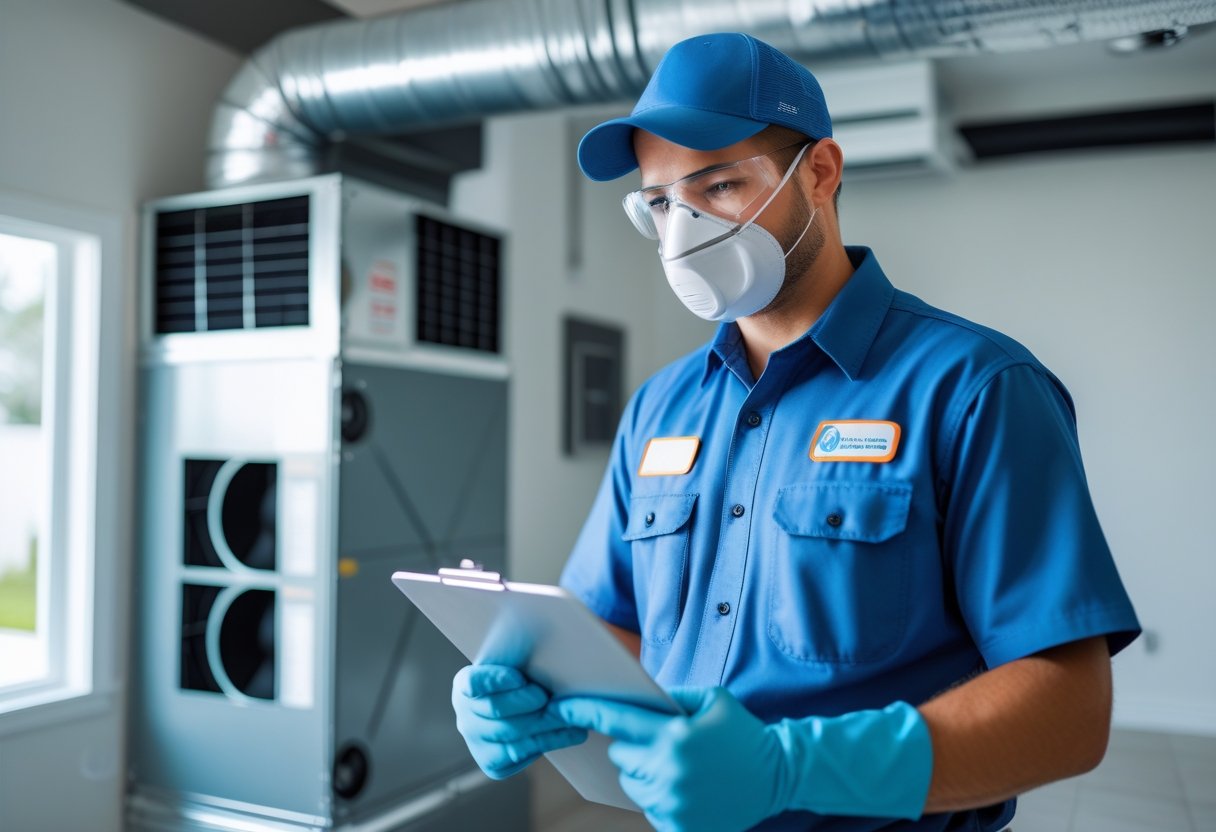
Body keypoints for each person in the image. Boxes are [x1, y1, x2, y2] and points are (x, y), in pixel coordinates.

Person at [451, 31, 1141, 832]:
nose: (685, 230)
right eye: (662, 202)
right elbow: (618, 628)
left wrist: (791, 772)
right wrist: (532, 687)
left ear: (819, 173)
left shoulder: (976, 388)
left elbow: (1068, 707)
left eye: (718, 186)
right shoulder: (659, 409)